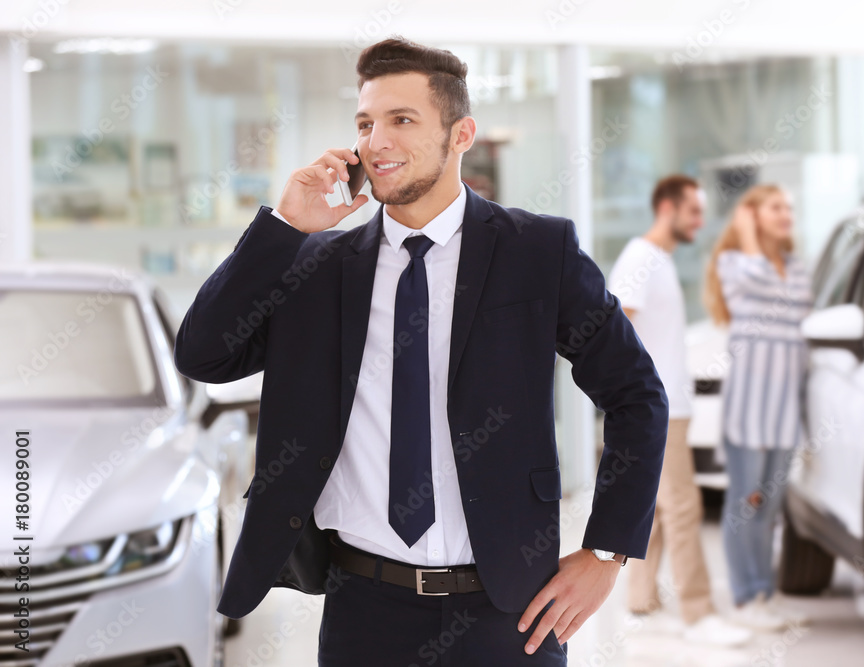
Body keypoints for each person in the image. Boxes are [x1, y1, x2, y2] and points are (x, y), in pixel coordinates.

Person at [173, 37, 669, 666]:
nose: (376, 141)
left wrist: (606, 552)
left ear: (461, 135)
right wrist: (283, 228)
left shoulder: (538, 253)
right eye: (365, 123)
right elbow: (203, 355)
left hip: (510, 611)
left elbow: (637, 396)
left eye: (401, 120)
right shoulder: (317, 268)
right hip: (363, 611)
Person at [607, 175, 751, 647]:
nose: (700, 220)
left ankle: (641, 597)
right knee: (684, 508)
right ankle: (698, 612)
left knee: (663, 510)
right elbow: (616, 331)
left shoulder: (660, 260)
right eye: (694, 211)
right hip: (658, 409)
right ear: (668, 208)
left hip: (671, 405)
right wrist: (635, 403)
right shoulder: (640, 260)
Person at [703, 184, 813, 631]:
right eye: (775, 207)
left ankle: (766, 592)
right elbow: (754, 280)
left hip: (787, 412)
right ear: (751, 215)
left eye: (789, 206)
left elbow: (787, 299)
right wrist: (747, 237)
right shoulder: (734, 262)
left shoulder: (798, 269)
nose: (786, 213)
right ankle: (746, 598)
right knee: (743, 505)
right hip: (749, 410)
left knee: (769, 509)